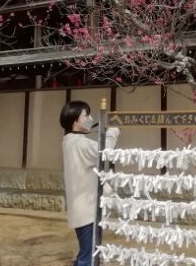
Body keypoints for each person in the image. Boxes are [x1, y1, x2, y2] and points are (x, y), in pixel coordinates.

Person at [61, 100, 119, 266]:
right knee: (87, 257)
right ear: (75, 121)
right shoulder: (79, 143)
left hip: (83, 208)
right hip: (87, 210)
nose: (90, 118)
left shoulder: (69, 141)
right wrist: (113, 130)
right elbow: (105, 151)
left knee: (88, 253)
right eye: (86, 115)